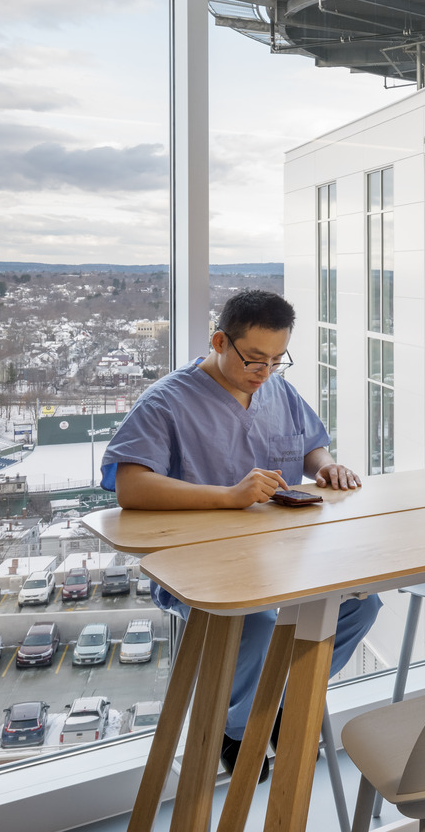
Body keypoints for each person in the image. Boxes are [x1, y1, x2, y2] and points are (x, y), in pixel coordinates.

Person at [101, 290, 380, 781]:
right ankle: (237, 729)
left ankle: (278, 704)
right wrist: (228, 496)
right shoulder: (167, 401)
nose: (264, 372)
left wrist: (326, 467)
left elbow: (310, 445)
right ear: (220, 341)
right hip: (200, 562)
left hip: (284, 552)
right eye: (254, 359)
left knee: (361, 603)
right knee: (255, 623)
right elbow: (130, 484)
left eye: (277, 360)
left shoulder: (276, 389)